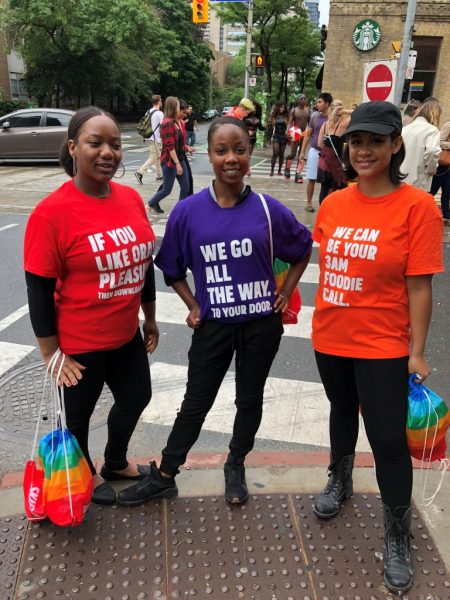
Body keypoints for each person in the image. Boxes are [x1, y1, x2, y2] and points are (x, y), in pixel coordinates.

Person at [117, 116, 312, 508]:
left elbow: (302, 248)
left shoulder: (268, 209)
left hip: (261, 325)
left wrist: (286, 291)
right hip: (214, 327)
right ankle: (167, 474)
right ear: (209, 155)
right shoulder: (188, 212)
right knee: (196, 400)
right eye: (221, 150)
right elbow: (170, 267)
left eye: (239, 150)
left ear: (249, 153)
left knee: (249, 399)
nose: (231, 158)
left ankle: (235, 464)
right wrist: (192, 305)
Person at [311, 101, 443, 594]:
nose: (363, 150)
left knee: (388, 439)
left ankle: (396, 533)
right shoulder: (334, 203)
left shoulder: (418, 208)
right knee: (341, 409)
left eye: (374, 142)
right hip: (331, 336)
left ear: (394, 145)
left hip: (384, 343)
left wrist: (418, 349)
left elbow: (420, 286)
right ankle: (339, 480)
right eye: (356, 142)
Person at [24, 106, 160, 506]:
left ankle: (115, 461)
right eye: (95, 143)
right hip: (79, 344)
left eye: (115, 145)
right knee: (77, 420)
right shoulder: (51, 214)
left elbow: (142, 259)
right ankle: (82, 473)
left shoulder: (131, 199)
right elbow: (38, 289)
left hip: (124, 333)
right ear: (73, 148)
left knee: (137, 397)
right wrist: (51, 355)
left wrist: (149, 318)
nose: (107, 152)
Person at [147, 96, 190, 214]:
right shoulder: (167, 123)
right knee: (166, 190)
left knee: (185, 188)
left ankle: (180, 212)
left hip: (179, 159)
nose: (179, 107)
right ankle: (151, 203)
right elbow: (170, 146)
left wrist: (187, 147)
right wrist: (177, 164)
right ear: (173, 107)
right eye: (177, 105)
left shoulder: (176, 121)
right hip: (170, 162)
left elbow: (178, 141)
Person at [299, 92, 333, 212]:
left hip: (329, 153)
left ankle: (326, 204)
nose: (317, 104)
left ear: (327, 103)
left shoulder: (333, 117)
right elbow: (308, 135)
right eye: (317, 102)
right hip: (314, 150)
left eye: (320, 102)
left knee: (328, 180)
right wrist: (302, 152)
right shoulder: (314, 116)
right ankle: (309, 202)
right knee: (311, 178)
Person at [401, 99, 442, 191]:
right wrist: (431, 168)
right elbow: (432, 151)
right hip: (417, 180)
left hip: (400, 177)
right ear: (435, 114)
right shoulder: (432, 130)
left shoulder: (405, 129)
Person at [317, 99, 350, 202]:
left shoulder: (325, 125)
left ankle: (323, 210)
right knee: (340, 189)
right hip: (338, 162)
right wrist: (346, 111)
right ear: (341, 109)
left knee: (324, 188)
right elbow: (360, 113)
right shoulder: (345, 123)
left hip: (325, 162)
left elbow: (320, 144)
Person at [134, 95, 163, 184]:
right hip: (155, 138)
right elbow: (163, 126)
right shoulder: (159, 113)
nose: (162, 102)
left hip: (149, 137)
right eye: (161, 100)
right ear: (158, 102)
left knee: (158, 156)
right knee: (154, 156)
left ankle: (159, 175)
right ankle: (140, 172)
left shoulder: (148, 112)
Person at [284, 94, 310, 182]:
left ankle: (298, 173)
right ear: (298, 100)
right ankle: (287, 169)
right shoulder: (294, 110)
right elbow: (290, 122)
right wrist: (287, 131)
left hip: (304, 132)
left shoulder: (308, 111)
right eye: (301, 98)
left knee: (301, 153)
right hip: (295, 132)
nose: (303, 100)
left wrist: (311, 134)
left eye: (304, 98)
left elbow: (310, 124)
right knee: (293, 153)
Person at [430, 120, 450, 225]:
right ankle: (424, 211)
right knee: (432, 190)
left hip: (448, 165)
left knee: (447, 190)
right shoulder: (448, 125)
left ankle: (446, 216)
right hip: (442, 164)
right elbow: (440, 142)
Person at [243, 100, 265, 176]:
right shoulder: (245, 117)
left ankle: (246, 168)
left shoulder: (258, 118)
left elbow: (261, 128)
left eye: (256, 108)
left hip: (253, 138)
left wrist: (266, 126)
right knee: (246, 154)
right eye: (253, 107)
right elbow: (240, 126)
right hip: (244, 138)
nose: (254, 109)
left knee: (249, 154)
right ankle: (247, 169)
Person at [269, 101, 289, 177]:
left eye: (283, 107)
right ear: (277, 107)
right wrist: (268, 138)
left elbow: (288, 126)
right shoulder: (273, 115)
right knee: (275, 153)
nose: (282, 108)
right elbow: (271, 127)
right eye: (280, 107)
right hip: (276, 135)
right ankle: (272, 170)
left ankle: (279, 170)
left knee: (281, 154)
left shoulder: (286, 116)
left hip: (284, 136)